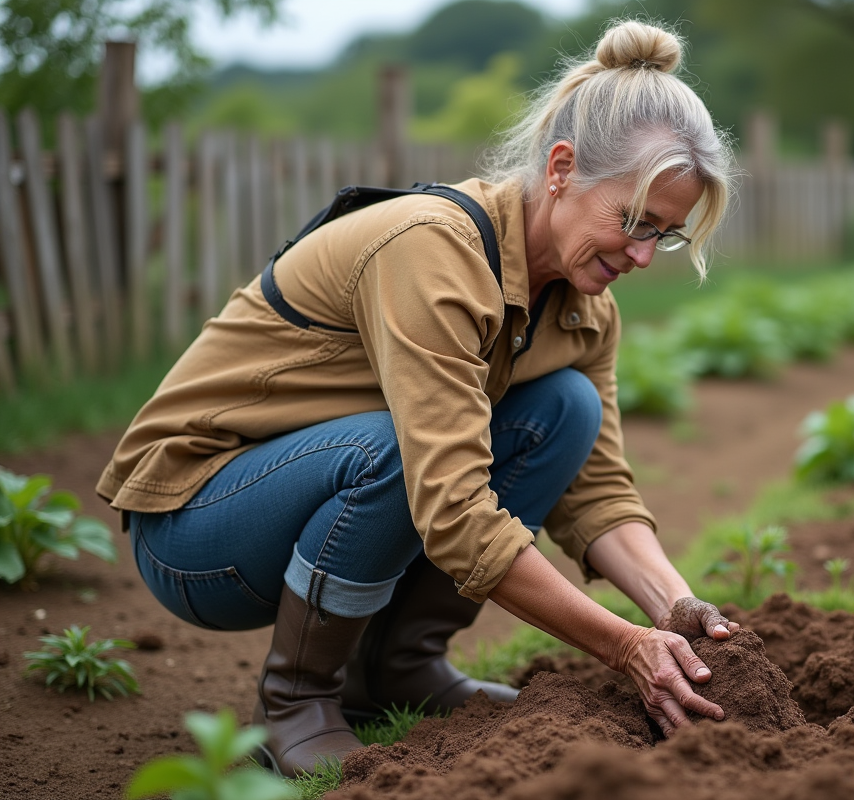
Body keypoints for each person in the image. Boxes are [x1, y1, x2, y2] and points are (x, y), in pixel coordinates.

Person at [96, 18, 738, 777]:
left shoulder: (583, 307)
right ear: (561, 168)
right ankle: (298, 698)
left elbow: (595, 488)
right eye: (631, 221)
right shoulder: (431, 252)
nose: (640, 254)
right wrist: (623, 645)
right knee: (399, 449)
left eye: (661, 235)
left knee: (567, 406)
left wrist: (672, 606)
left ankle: (398, 666)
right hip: (196, 525)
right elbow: (454, 504)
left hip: (319, 491)